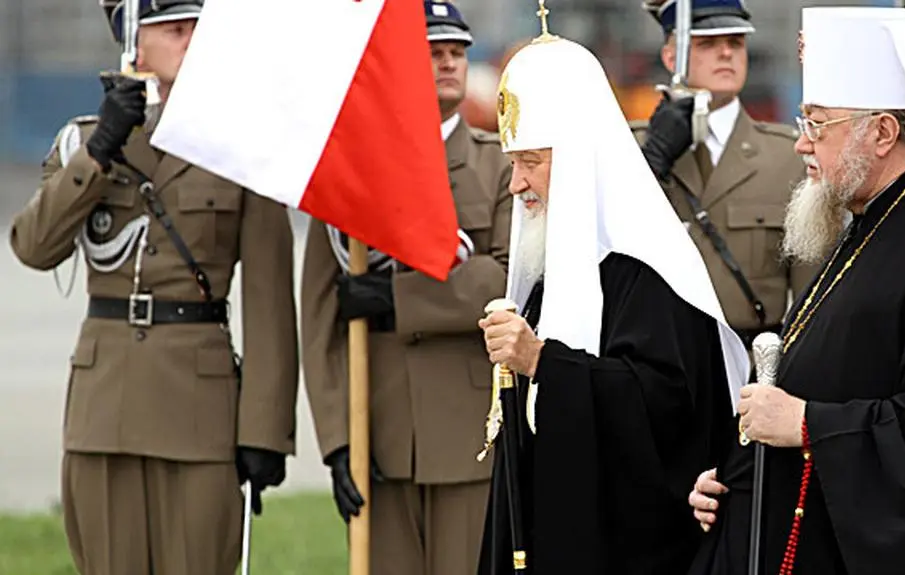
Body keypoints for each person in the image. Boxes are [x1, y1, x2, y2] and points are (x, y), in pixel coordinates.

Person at [686, 7, 905, 575]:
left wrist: (803, 424)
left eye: (816, 124)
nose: (801, 144)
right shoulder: (873, 217)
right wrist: (735, 477)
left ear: (883, 132)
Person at [7, 1, 299, 573]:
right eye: (173, 30)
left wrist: (266, 428)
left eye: (197, 29)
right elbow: (34, 246)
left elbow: (269, 302)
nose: (191, 42)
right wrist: (101, 149)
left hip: (200, 411)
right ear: (134, 43)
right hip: (105, 409)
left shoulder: (241, 148)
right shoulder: (86, 144)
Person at [475, 7, 749, 574]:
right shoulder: (547, 267)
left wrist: (543, 362)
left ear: (579, 163)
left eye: (531, 161)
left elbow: (667, 414)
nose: (517, 183)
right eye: (511, 162)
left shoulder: (650, 270)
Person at [300, 2, 512, 573]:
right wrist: (338, 441)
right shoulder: (351, 169)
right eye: (432, 53)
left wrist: (401, 300)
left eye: (457, 53)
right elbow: (320, 318)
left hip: (471, 434)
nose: (449, 64)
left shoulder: (498, 166)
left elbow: (507, 279)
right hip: (381, 432)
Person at [633, 0, 816, 351]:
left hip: (750, 365)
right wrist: (652, 160)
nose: (726, 54)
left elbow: (810, 292)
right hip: (656, 363)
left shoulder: (787, 155)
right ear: (671, 57)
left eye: (735, 43)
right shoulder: (632, 149)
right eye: (707, 44)